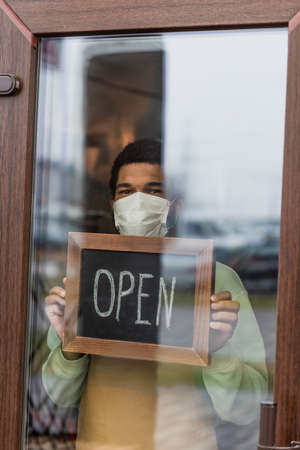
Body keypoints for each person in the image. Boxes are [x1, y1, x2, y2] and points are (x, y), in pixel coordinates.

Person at [43, 139, 267, 450]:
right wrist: (68, 345)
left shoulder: (213, 279)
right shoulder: (87, 274)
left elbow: (245, 410)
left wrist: (217, 353)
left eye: (154, 190)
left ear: (176, 204)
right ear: (112, 203)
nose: (138, 201)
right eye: (126, 191)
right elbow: (59, 396)